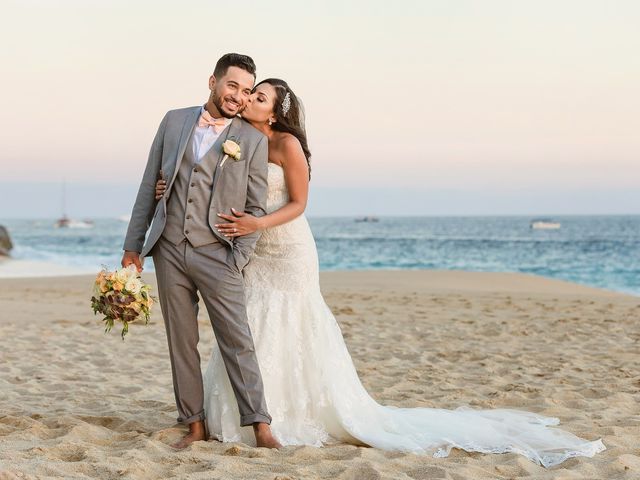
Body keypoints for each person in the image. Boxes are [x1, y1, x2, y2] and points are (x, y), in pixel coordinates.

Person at [154, 79, 605, 467]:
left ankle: (286, 417)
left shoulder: (285, 145)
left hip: (287, 248)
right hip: (250, 251)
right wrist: (168, 186)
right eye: (249, 93)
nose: (249, 99)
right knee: (250, 324)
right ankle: (241, 413)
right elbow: (204, 180)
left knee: (290, 320)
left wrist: (257, 222)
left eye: (260, 96)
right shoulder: (234, 139)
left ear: (275, 113)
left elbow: (298, 204)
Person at [122, 53, 280, 450]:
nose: (239, 97)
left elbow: (256, 207)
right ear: (213, 82)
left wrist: (239, 256)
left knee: (236, 339)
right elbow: (149, 184)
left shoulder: (252, 140)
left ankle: (260, 425)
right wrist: (133, 246)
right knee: (181, 340)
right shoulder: (174, 120)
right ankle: (194, 425)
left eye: (247, 91)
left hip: (217, 251)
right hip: (169, 248)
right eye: (233, 86)